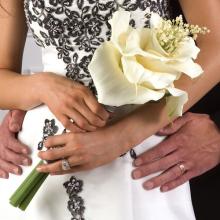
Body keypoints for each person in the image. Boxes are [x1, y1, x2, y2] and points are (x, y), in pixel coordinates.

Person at [0, 0, 220, 220]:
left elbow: (215, 45)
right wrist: (39, 86)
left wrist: (119, 139)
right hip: (40, 149)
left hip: (140, 142)